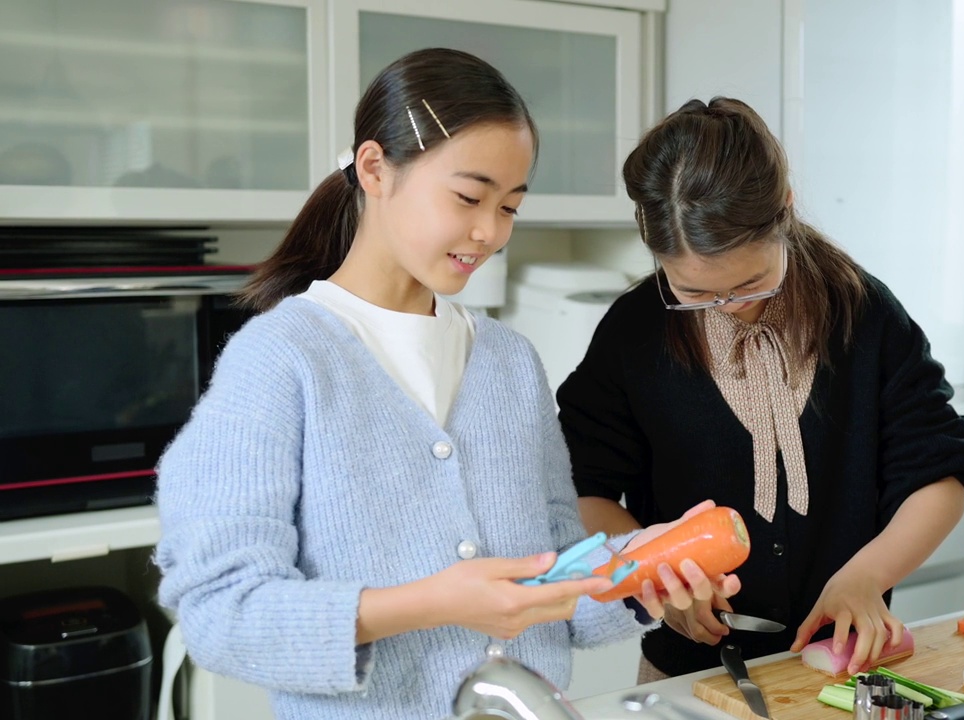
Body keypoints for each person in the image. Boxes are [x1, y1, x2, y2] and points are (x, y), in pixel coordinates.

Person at [153, 48, 716, 720]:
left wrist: (639, 571)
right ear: (373, 169)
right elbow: (219, 614)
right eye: (469, 197)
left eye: (509, 206)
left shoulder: (510, 363)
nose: (489, 232)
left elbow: (557, 574)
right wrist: (435, 602)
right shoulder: (278, 360)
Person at [556, 97, 964, 682]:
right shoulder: (635, 332)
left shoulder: (862, 314)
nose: (731, 308)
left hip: (845, 667)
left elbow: (941, 474)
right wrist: (658, 574)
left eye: (751, 281)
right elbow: (586, 488)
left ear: (784, 209)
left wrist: (867, 576)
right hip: (689, 677)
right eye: (694, 292)